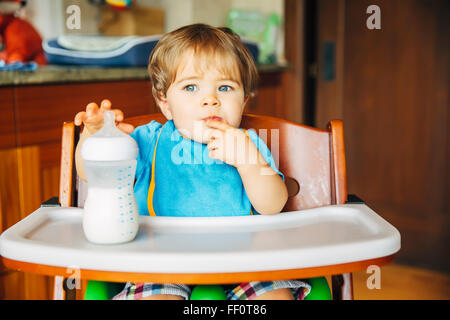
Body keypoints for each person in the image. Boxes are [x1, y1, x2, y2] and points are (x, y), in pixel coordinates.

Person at [74, 23, 311, 300]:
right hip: (160, 262)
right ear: (165, 102)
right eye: (190, 87)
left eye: (224, 87)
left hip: (246, 261)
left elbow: (272, 206)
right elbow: (91, 174)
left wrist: (248, 161)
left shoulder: (247, 143)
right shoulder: (148, 140)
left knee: (273, 297)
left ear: (244, 101)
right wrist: (96, 137)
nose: (210, 99)